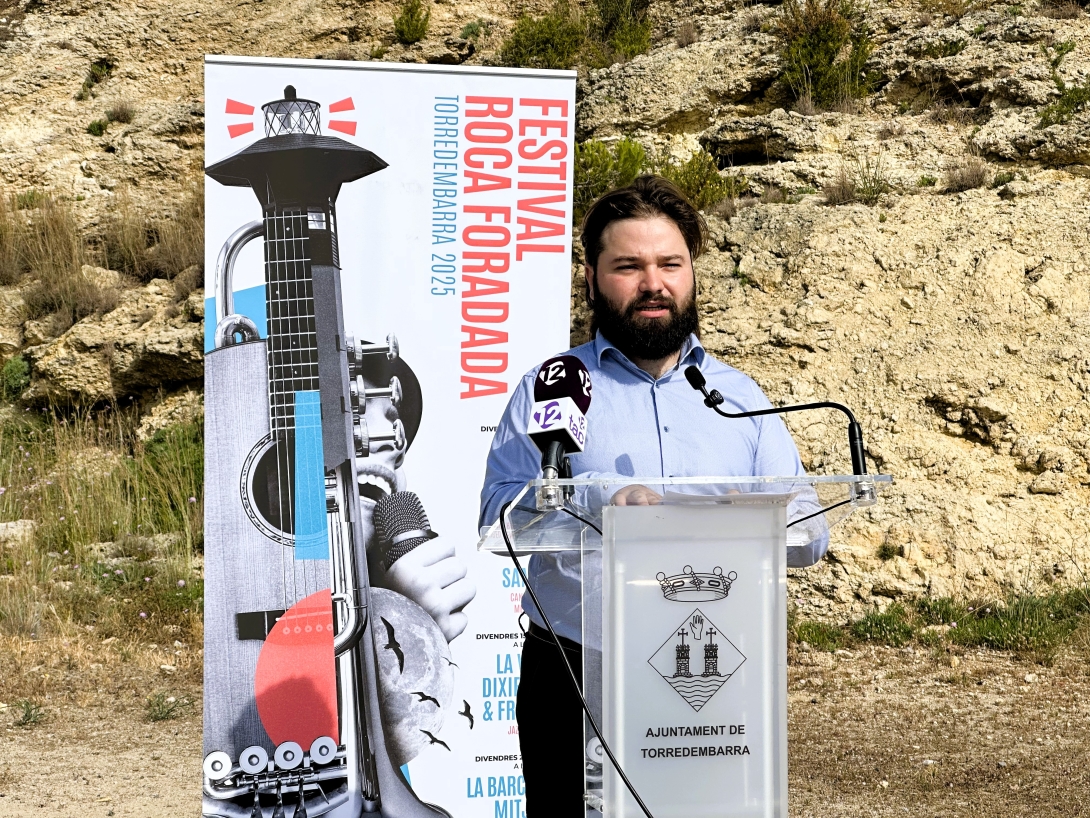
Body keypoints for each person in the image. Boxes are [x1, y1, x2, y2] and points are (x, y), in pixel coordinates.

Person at [478, 175, 825, 814]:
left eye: (670, 263)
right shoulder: (553, 388)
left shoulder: (739, 396)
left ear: (692, 272)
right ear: (591, 277)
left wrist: (743, 522)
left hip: (714, 665)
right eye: (628, 266)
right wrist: (599, 506)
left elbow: (809, 530)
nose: (653, 283)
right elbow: (500, 517)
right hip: (579, 667)